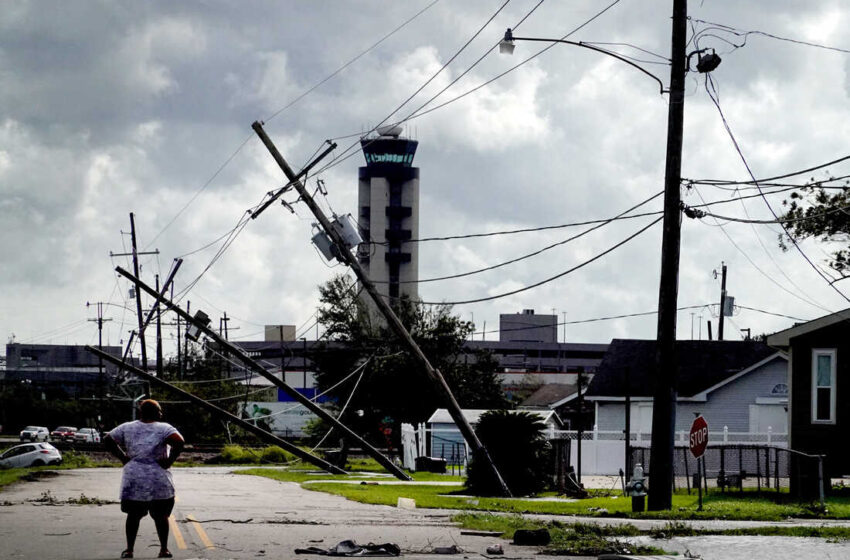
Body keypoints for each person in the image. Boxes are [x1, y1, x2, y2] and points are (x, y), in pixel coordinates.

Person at [104, 399, 185, 559]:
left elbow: (108, 439)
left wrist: (122, 457)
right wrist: (169, 461)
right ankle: (163, 549)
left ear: (141, 412)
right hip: (158, 478)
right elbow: (179, 442)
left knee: (133, 515)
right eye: (160, 411)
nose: (161, 414)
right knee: (161, 516)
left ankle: (129, 550)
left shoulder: (127, 427)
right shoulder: (164, 428)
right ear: (156, 413)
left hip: (134, 478)